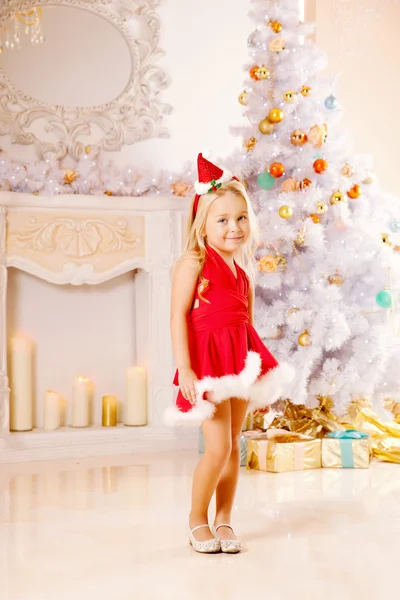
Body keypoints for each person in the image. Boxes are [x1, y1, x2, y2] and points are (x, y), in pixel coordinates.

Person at [166, 154, 293, 553]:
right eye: (222, 219)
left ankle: (224, 520)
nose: (233, 227)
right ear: (202, 223)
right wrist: (185, 368)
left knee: (233, 445)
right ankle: (196, 519)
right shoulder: (194, 263)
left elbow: (247, 327)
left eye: (241, 218)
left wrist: (256, 382)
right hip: (207, 365)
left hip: (238, 364)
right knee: (217, 447)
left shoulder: (244, 269)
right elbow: (177, 316)